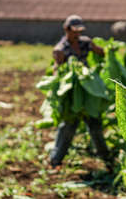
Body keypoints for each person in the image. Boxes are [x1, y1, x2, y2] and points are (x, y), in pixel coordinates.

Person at [50, 14, 110, 168]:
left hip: (89, 91)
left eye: (79, 31)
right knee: (68, 127)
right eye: (74, 31)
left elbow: (102, 53)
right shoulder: (60, 49)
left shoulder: (86, 43)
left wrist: (109, 51)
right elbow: (57, 70)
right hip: (73, 93)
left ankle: (107, 159)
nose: (77, 34)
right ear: (66, 29)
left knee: (95, 125)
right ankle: (55, 160)